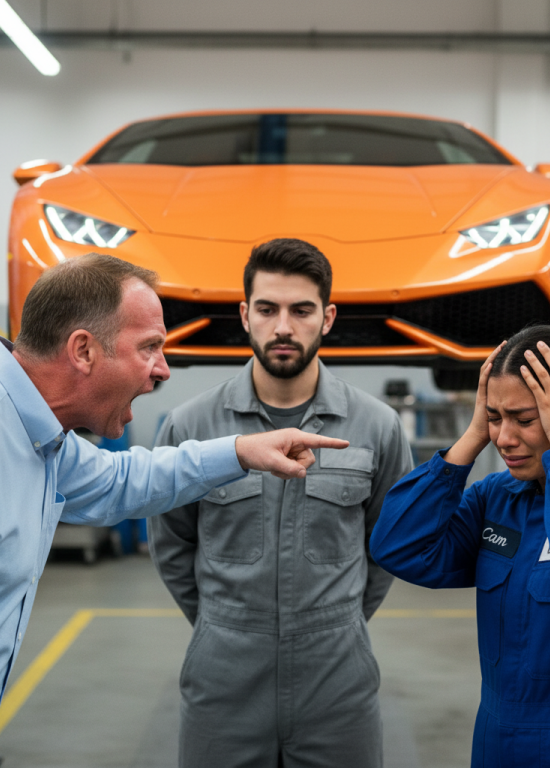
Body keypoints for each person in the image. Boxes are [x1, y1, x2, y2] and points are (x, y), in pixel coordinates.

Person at [0, 253, 348, 768]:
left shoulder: (31, 430)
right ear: (84, 350)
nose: (162, 369)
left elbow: (116, 482)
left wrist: (241, 451)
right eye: (149, 347)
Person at [149, 238, 412, 768]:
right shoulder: (191, 426)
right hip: (223, 678)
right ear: (245, 315)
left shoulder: (376, 427)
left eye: (302, 310)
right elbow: (171, 543)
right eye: (267, 309)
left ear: (327, 318)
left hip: (337, 679)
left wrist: (338, 623)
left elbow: (387, 545)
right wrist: (223, 626)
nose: (284, 327)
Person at [370, 324, 550, 768]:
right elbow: (397, 546)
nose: (504, 439)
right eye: (495, 417)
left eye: (525, 419)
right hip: (497, 741)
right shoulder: (496, 498)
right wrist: (473, 435)